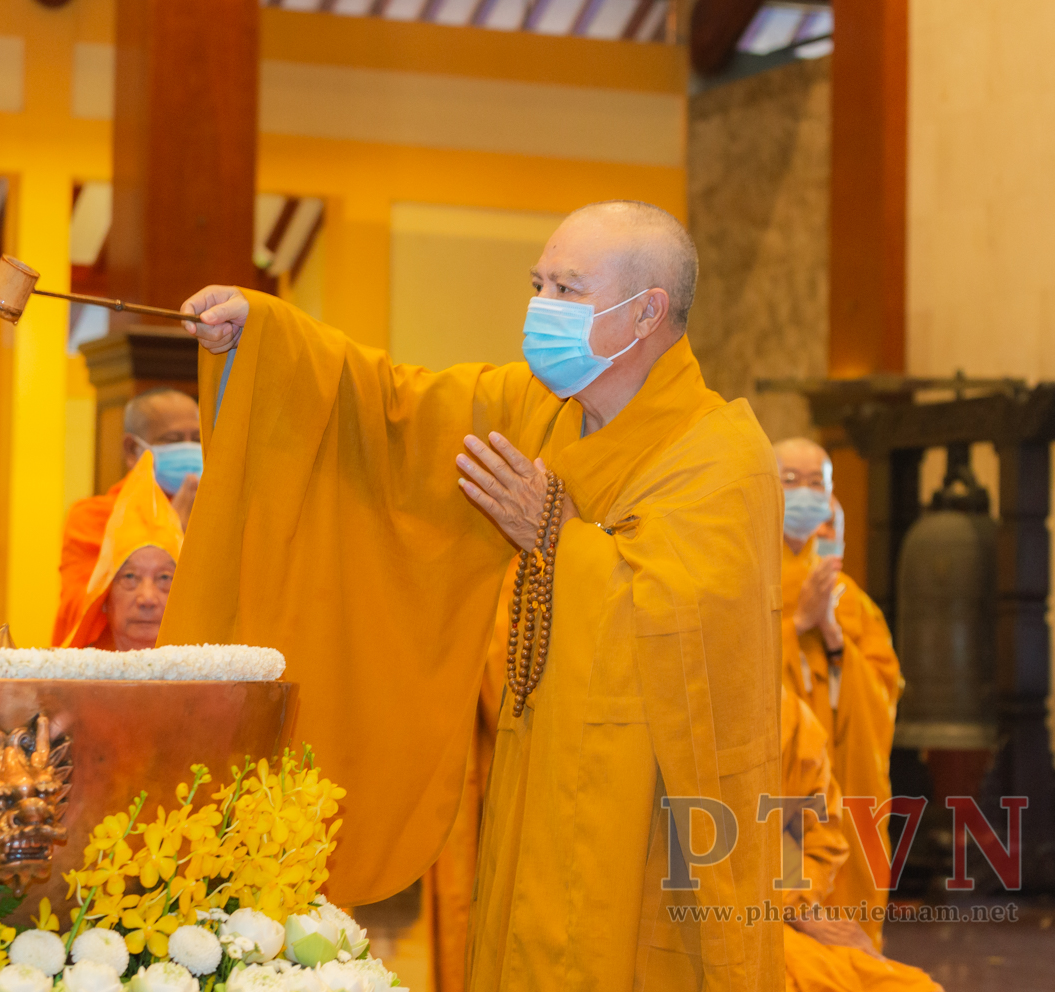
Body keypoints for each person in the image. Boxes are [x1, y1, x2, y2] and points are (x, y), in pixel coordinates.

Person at [169, 200, 783, 989]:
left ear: (647, 312)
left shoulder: (723, 456)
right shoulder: (538, 411)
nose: (541, 308)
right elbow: (392, 411)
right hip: (538, 775)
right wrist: (263, 336)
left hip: (648, 806)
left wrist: (557, 536)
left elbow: (692, 643)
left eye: (567, 289)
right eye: (538, 284)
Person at [777, 438, 903, 948]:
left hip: (845, 787)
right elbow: (722, 674)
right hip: (778, 790)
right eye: (790, 480)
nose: (804, 493)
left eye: (816, 482)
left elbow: (884, 693)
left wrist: (831, 633)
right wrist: (795, 624)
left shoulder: (854, 603)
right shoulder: (741, 583)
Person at [780, 687, 941, 992]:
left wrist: (797, 907)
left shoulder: (790, 716)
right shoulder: (689, 718)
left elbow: (819, 839)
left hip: (786, 915)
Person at [54, 388, 199, 646]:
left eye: (197, 440)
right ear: (132, 449)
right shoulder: (93, 517)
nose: (188, 450)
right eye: (173, 441)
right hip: (107, 663)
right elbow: (78, 612)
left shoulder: (214, 514)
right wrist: (167, 537)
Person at [55, 453, 183, 650]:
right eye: (130, 577)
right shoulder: (75, 670)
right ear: (104, 597)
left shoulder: (215, 669)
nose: (147, 598)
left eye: (165, 578)